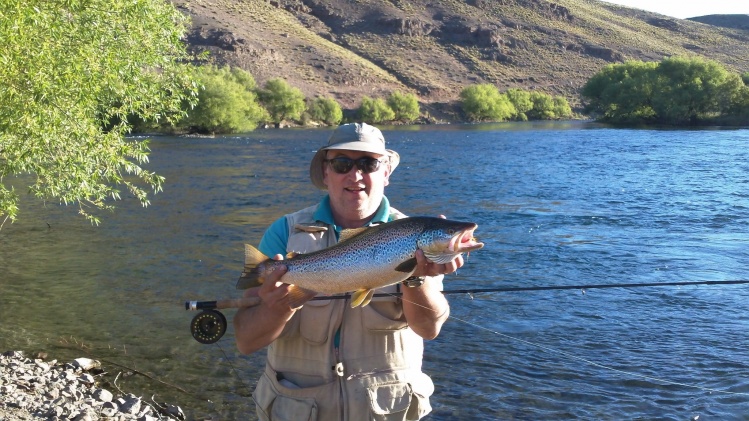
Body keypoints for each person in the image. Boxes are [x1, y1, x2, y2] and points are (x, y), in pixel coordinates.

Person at [234, 122, 464, 421]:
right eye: (342, 164)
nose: (355, 175)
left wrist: (416, 277)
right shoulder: (285, 232)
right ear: (326, 173)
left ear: (386, 173)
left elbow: (428, 329)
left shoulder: (412, 234)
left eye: (368, 163)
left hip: (384, 411)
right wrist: (277, 308)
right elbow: (246, 341)